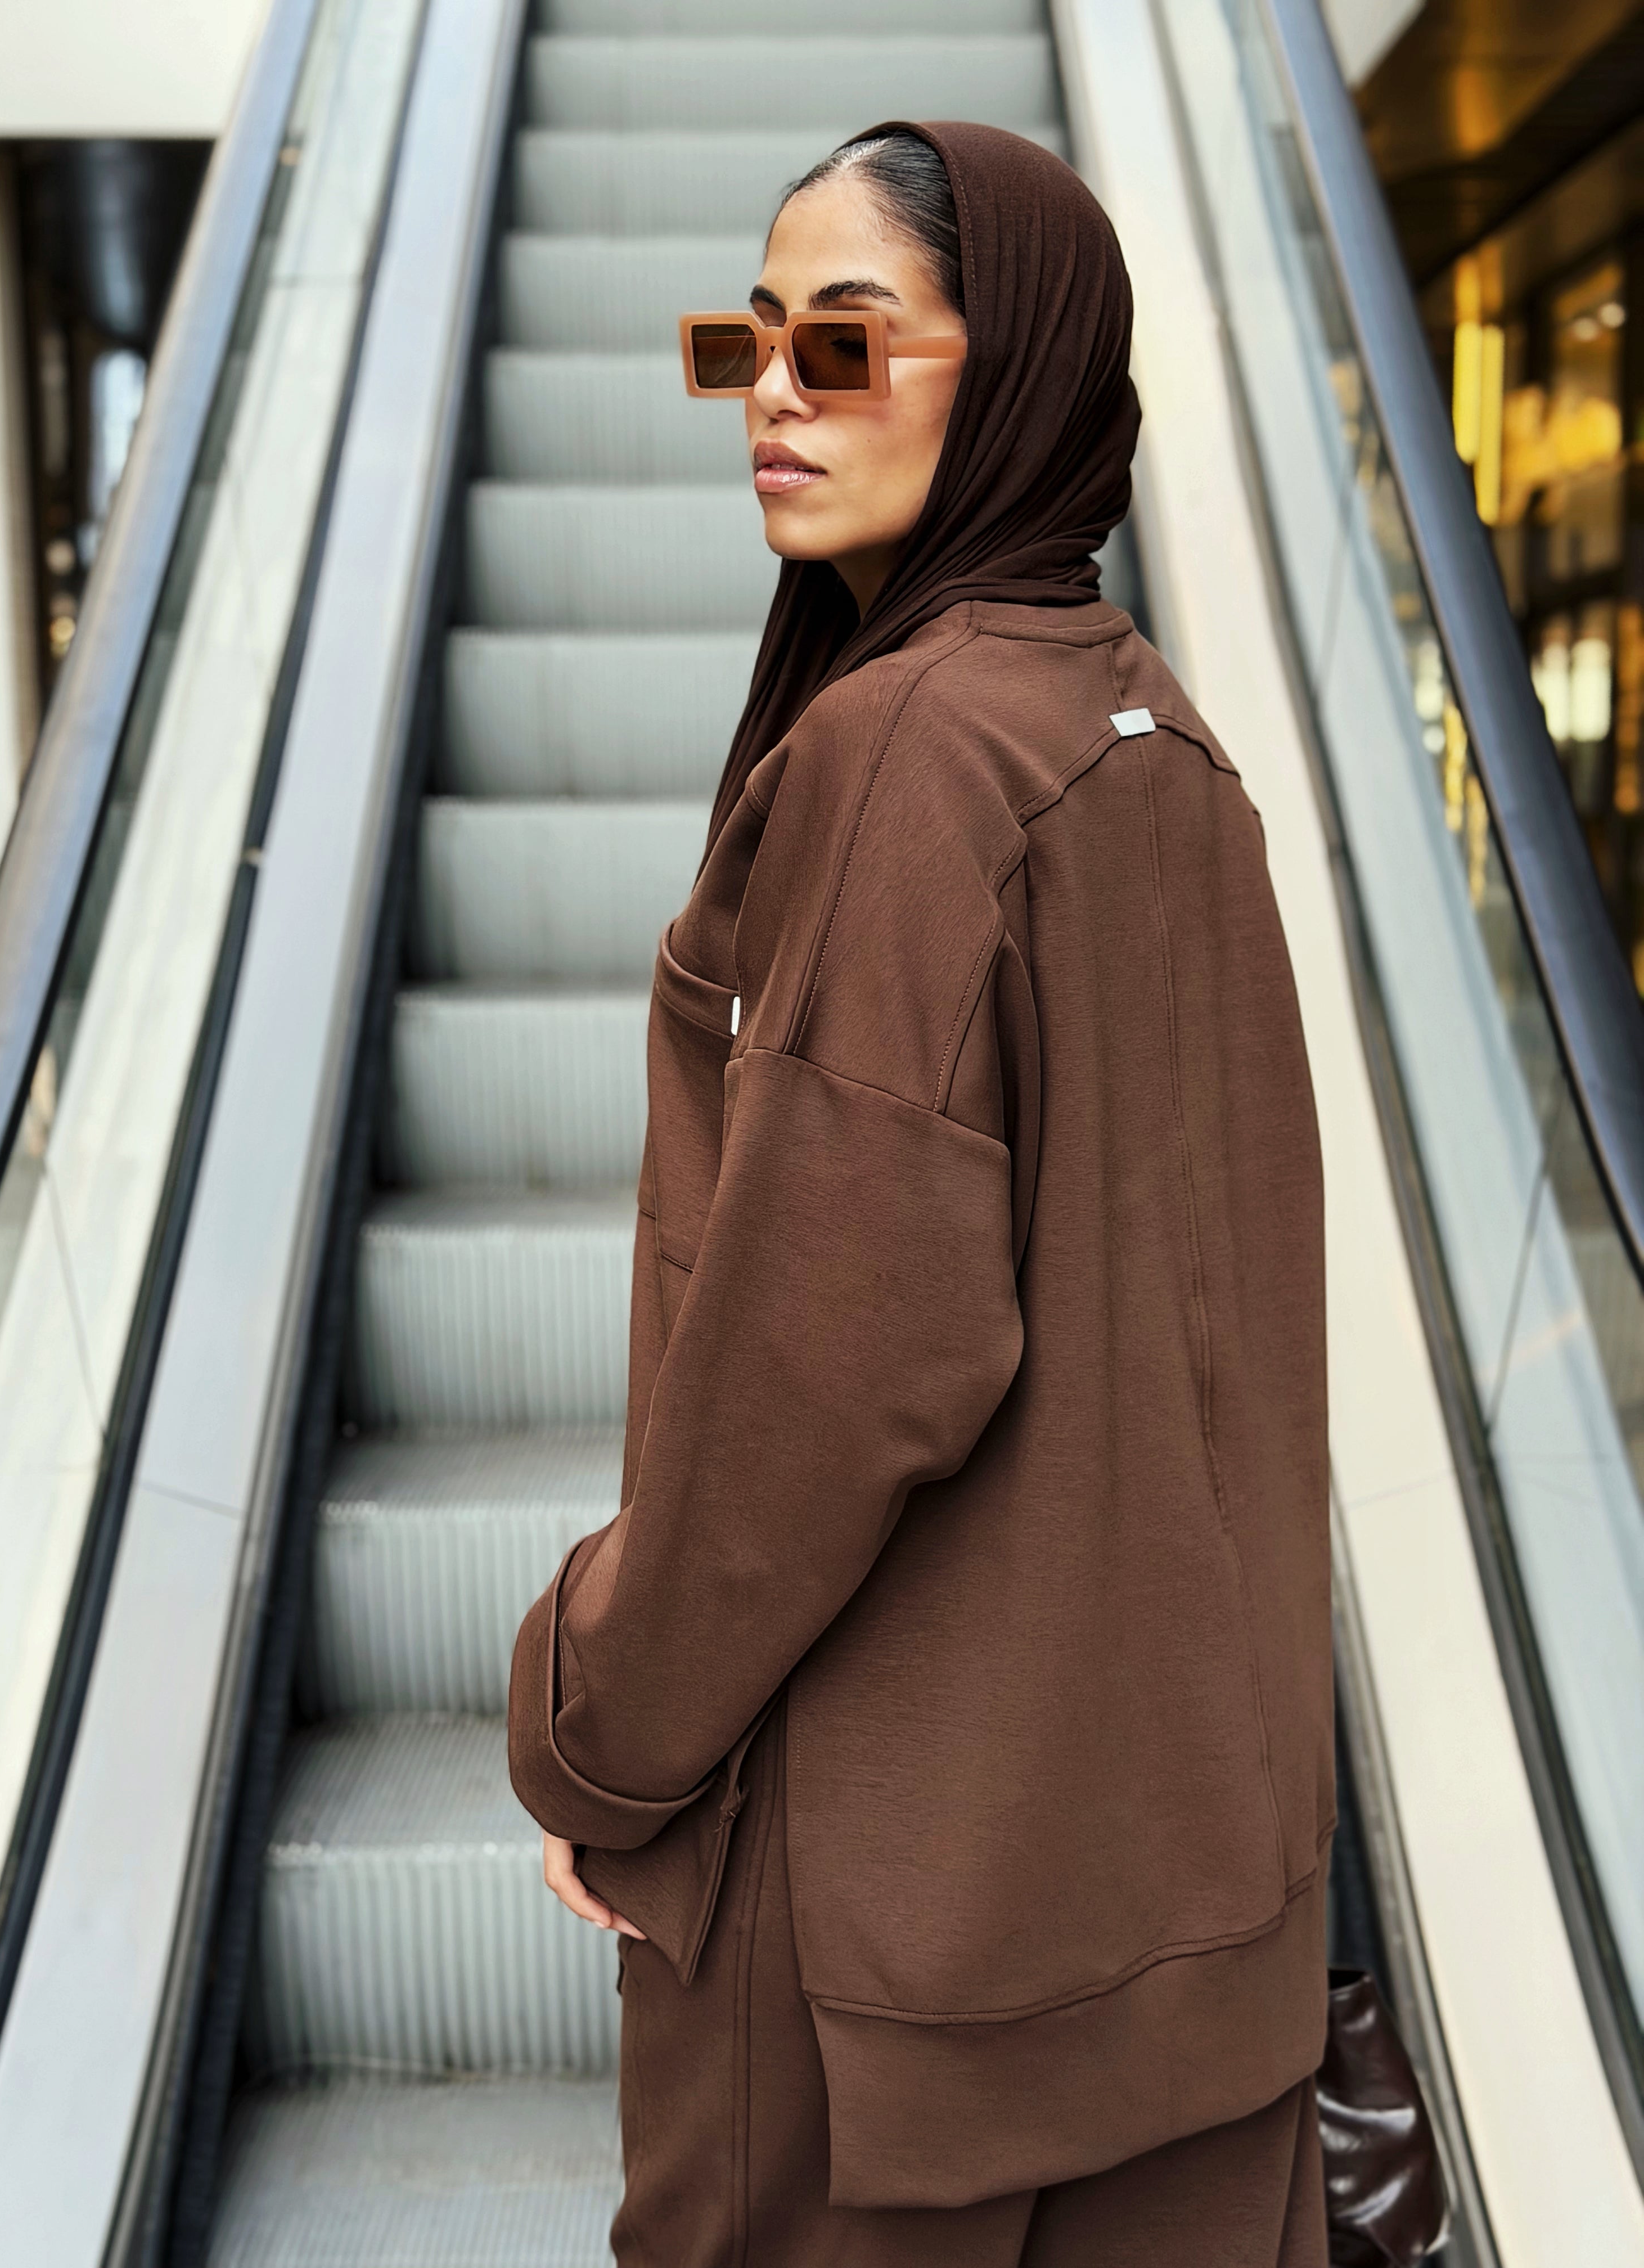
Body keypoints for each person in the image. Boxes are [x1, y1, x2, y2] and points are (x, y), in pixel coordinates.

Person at [509, 119, 1332, 2267]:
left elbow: (830, 1370)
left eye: (847, 342)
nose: (773, 395)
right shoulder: (1158, 740)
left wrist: (597, 1734)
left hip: (885, 1946)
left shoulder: (907, 758)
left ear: (1024, 364)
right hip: (1172, 1902)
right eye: (745, 344)